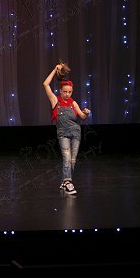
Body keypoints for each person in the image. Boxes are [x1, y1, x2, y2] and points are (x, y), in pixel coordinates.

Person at [43, 62, 90, 195]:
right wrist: (54, 70)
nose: (67, 94)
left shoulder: (73, 103)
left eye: (69, 92)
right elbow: (45, 84)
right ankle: (68, 182)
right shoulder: (55, 101)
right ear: (60, 91)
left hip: (75, 133)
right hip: (63, 133)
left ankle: (64, 182)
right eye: (65, 92)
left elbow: (82, 116)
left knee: (73, 160)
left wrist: (86, 113)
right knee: (67, 158)